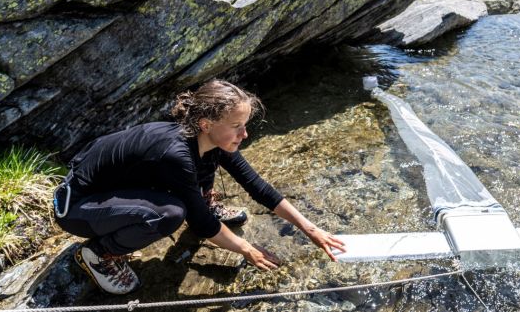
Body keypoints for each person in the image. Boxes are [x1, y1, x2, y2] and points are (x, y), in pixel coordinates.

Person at [52, 79, 346, 295]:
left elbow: (257, 186)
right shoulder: (174, 153)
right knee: (170, 214)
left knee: (194, 185)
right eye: (237, 126)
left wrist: (311, 229)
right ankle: (100, 253)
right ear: (206, 124)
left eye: (245, 124)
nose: (245, 134)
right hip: (78, 207)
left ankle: (202, 199)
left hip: (113, 192)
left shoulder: (211, 140)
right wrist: (247, 249)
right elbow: (203, 224)